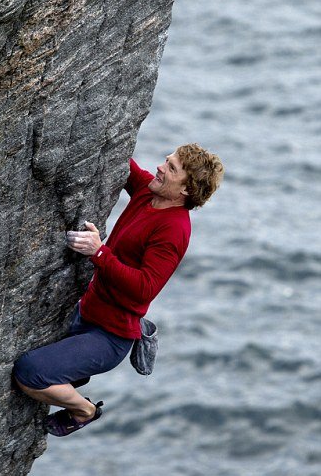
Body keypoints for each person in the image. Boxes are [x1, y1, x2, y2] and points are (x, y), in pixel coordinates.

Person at [13, 144, 224, 437]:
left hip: (109, 336)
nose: (161, 167)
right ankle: (75, 372)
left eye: (171, 168)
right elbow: (121, 159)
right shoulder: (149, 193)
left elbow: (144, 289)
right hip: (86, 312)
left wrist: (99, 253)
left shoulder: (174, 229)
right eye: (167, 161)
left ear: (186, 190)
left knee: (28, 373)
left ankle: (84, 411)